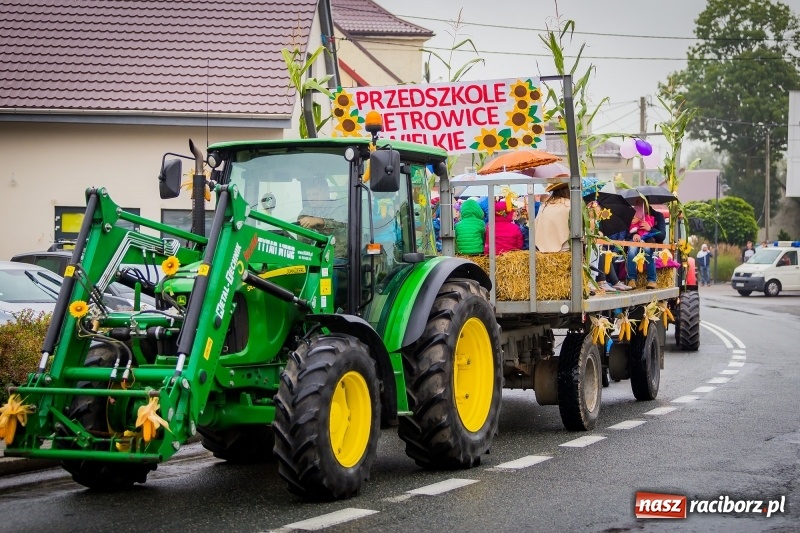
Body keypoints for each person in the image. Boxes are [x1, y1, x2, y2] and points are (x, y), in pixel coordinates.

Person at [625, 197, 666, 290]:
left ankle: (652, 280)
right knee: (632, 250)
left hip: (649, 242)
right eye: (636, 202)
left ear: (646, 203)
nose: (637, 204)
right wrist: (634, 235)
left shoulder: (657, 216)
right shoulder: (633, 215)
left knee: (648, 250)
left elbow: (662, 235)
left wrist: (650, 228)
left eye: (640, 202)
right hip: (636, 242)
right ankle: (631, 279)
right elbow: (627, 233)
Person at [534, 182, 571, 252]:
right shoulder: (570, 204)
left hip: (544, 248)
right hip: (566, 248)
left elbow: (536, 224)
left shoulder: (544, 206)